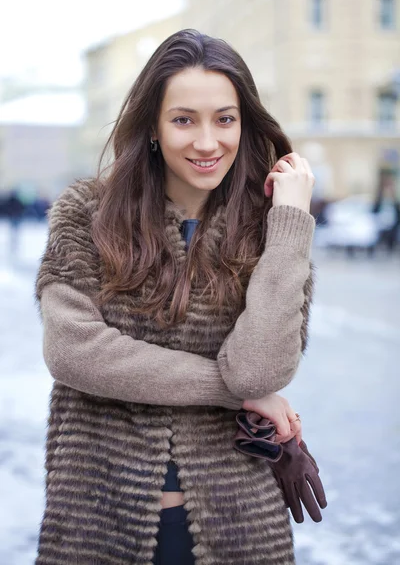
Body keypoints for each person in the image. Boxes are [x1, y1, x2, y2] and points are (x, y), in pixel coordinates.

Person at [35, 29, 316, 565]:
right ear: (154, 128)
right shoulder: (87, 215)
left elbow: (259, 371)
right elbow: (74, 352)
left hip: (240, 525)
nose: (207, 142)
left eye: (225, 119)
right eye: (184, 119)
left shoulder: (275, 232)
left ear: (244, 124)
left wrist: (291, 219)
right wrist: (232, 391)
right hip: (99, 522)